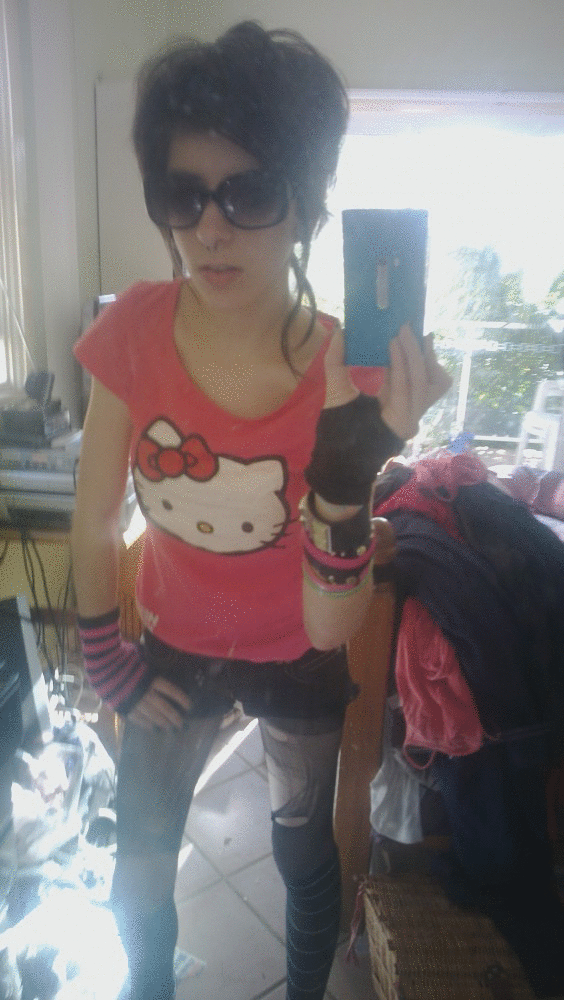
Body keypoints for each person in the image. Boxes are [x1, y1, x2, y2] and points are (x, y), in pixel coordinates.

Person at [71, 21, 450, 1000]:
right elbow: (94, 512)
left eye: (248, 193)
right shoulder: (131, 331)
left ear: (307, 204)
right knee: (139, 863)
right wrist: (103, 651)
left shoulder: (346, 373)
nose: (210, 229)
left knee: (301, 853)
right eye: (183, 194)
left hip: (298, 652)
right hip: (173, 644)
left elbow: (329, 624)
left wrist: (346, 476)